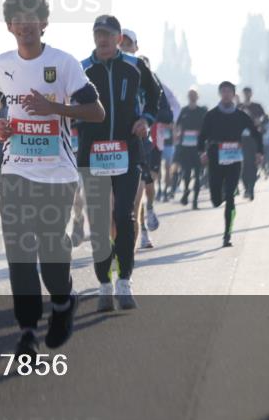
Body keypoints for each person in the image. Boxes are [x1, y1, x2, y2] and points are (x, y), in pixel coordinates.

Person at [0, 0, 104, 357]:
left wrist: (52, 107)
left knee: (51, 249)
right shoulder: (2, 64)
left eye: (32, 17)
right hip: (16, 172)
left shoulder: (64, 63)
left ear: (44, 23)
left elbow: (96, 112)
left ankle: (64, 300)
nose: (25, 25)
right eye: (18, 19)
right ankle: (26, 331)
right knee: (19, 253)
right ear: (9, 26)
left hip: (56, 174)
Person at [79, 15, 159, 311]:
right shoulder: (81, 69)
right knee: (100, 221)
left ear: (118, 37)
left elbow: (155, 97)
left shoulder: (135, 67)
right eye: (98, 33)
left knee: (124, 215)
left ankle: (124, 281)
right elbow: (67, 101)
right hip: (93, 154)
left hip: (128, 152)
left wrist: (145, 120)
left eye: (108, 34)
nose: (102, 39)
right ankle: (104, 285)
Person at [199, 82, 263, 247]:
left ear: (234, 95)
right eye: (223, 91)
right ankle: (222, 192)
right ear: (220, 94)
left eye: (229, 92)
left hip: (234, 157)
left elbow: (256, 133)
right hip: (215, 156)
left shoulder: (241, 116)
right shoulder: (211, 115)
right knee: (216, 199)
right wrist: (202, 152)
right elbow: (202, 136)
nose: (226, 94)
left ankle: (227, 234)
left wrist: (259, 152)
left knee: (230, 198)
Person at [119, 30, 163, 249]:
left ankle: (146, 221)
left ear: (136, 47)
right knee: (116, 208)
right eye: (121, 44)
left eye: (128, 44)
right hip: (112, 145)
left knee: (143, 191)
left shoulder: (145, 73)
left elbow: (164, 105)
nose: (124, 48)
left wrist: (147, 120)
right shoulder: (106, 71)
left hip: (142, 142)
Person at [174, 89, 208, 209]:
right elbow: (177, 126)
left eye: (194, 95)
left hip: (198, 148)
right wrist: (177, 135)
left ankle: (195, 201)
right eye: (190, 95)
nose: (192, 97)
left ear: (197, 97)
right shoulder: (184, 111)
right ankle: (186, 191)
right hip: (185, 147)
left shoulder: (202, 111)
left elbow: (207, 127)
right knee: (186, 173)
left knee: (198, 174)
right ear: (188, 97)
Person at [239, 87, 266, 200]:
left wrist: (260, 121)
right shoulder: (239, 107)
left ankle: (251, 188)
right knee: (245, 164)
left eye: (248, 93)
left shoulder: (257, 106)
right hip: (242, 140)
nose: (247, 95)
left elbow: (266, 118)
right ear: (243, 94)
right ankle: (246, 187)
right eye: (245, 93)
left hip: (255, 139)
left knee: (254, 164)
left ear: (251, 94)